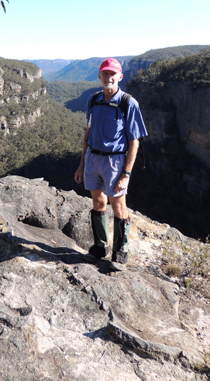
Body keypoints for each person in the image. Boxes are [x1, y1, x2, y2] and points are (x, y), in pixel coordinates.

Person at [74, 57, 147, 271]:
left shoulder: (128, 103)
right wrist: (81, 164)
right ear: (99, 75)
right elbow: (87, 133)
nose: (109, 77)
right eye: (105, 73)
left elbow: (134, 142)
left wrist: (126, 173)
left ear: (120, 77)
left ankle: (120, 252)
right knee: (98, 202)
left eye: (112, 74)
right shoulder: (93, 100)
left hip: (115, 161)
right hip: (92, 159)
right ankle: (100, 247)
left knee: (118, 205)